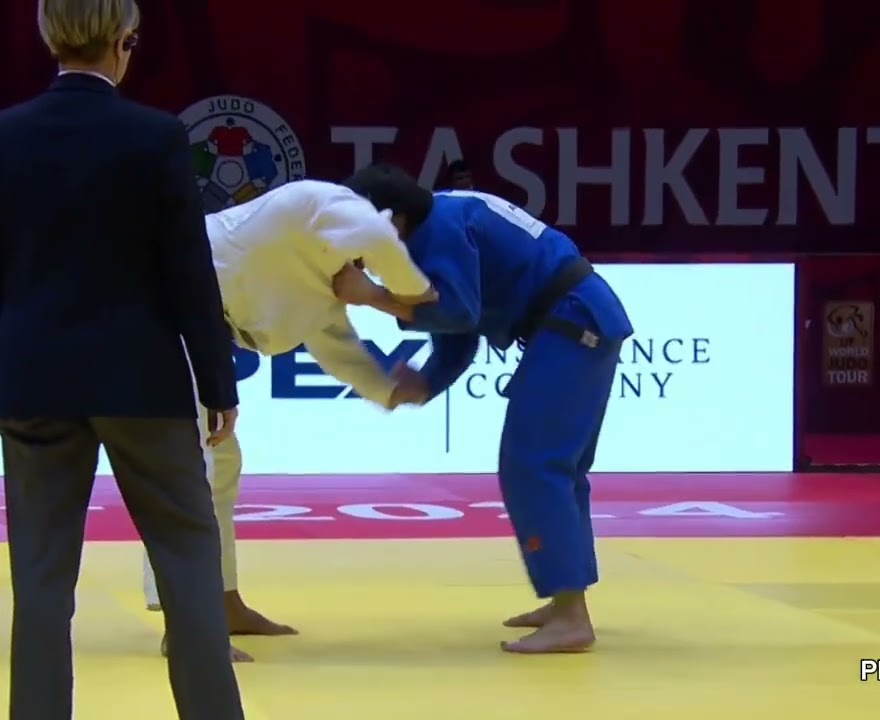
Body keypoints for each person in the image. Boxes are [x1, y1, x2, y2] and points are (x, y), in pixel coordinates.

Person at [0, 1, 244, 717]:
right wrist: (218, 381)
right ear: (125, 42)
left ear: (47, 35)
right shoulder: (155, 136)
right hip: (140, 380)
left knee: (40, 580)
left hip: (33, 378)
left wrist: (4, 374)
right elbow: (188, 270)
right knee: (188, 559)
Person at [341, 163, 633, 654]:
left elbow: (458, 312)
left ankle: (571, 616)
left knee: (534, 465)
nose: (361, 257)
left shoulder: (439, 229)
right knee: (557, 469)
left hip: (572, 323)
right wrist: (427, 383)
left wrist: (371, 297)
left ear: (392, 221)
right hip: (576, 320)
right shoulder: (437, 225)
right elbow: (459, 332)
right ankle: (565, 599)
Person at [143, 179, 436, 660]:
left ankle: (223, 603)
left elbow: (334, 342)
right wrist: (409, 294)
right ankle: (187, 625)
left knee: (220, 464)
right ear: (385, 216)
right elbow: (378, 236)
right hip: (164, 309)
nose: (375, 259)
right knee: (195, 470)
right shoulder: (315, 204)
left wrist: (385, 390)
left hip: (200, 327)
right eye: (403, 236)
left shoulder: (329, 274)